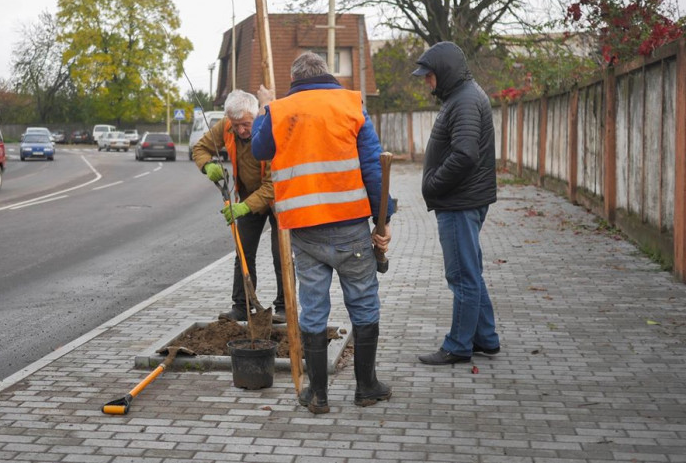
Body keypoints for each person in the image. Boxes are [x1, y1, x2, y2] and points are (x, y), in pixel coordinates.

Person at [252, 51, 394, 414]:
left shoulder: (280, 111)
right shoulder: (351, 104)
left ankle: (318, 394)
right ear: (327, 74)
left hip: (305, 233)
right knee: (363, 303)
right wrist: (384, 218)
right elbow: (373, 167)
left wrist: (266, 107)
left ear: (294, 80)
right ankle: (366, 387)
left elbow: (259, 148)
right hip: (350, 229)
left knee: (313, 309)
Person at [412, 41, 501, 366]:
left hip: (459, 203)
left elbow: (465, 154)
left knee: (462, 275)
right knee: (471, 271)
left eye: (429, 75)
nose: (426, 81)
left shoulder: (464, 101)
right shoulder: (463, 96)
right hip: (463, 200)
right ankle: (486, 338)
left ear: (444, 72)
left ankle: (459, 345)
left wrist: (434, 184)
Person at [192, 90, 285, 323]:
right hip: (246, 195)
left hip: (277, 200)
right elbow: (200, 148)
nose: (241, 130)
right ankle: (242, 306)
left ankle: (284, 307)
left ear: (255, 116)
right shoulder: (226, 126)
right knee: (243, 251)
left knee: (280, 253)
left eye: (245, 124)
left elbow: (273, 184)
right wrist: (207, 166)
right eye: (236, 125)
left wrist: (244, 207)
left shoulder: (272, 130)